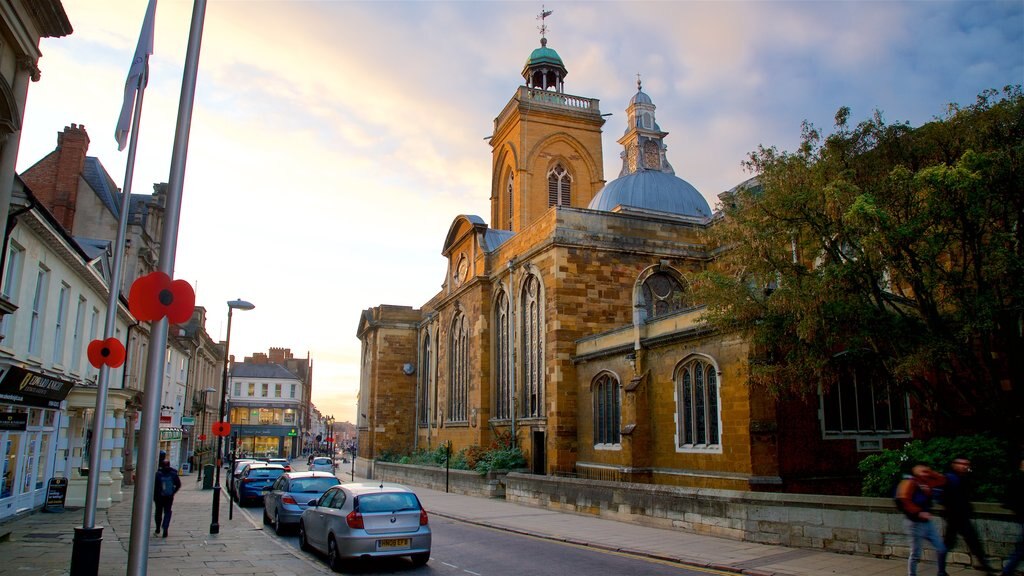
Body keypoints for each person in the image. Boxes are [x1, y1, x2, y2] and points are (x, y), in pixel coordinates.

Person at [942, 457, 996, 574]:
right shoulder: (949, 478)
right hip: (954, 517)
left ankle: (986, 567)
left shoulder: (964, 478)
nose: (965, 466)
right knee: (949, 544)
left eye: (967, 464)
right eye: (962, 464)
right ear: (954, 465)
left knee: (973, 542)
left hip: (962, 516)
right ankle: (941, 570)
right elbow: (945, 497)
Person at [897, 463, 948, 576]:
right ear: (915, 470)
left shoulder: (926, 482)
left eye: (926, 471)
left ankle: (941, 572)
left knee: (941, 548)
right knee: (915, 554)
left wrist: (930, 472)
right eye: (922, 471)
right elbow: (904, 499)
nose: (925, 473)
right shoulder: (909, 482)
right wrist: (919, 512)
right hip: (914, 523)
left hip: (927, 523)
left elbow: (942, 480)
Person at [1001, 453, 1024, 576]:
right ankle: (1007, 571)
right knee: (1021, 550)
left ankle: (1007, 571)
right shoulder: (1018, 479)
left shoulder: (1016, 478)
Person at [153, 459, 181, 538]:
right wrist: (173, 492)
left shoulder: (158, 474)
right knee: (167, 512)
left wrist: (155, 496)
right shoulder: (173, 474)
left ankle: (158, 528)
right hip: (169, 497)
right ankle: (165, 528)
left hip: (159, 497)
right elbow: (178, 484)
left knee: (158, 512)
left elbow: (154, 486)